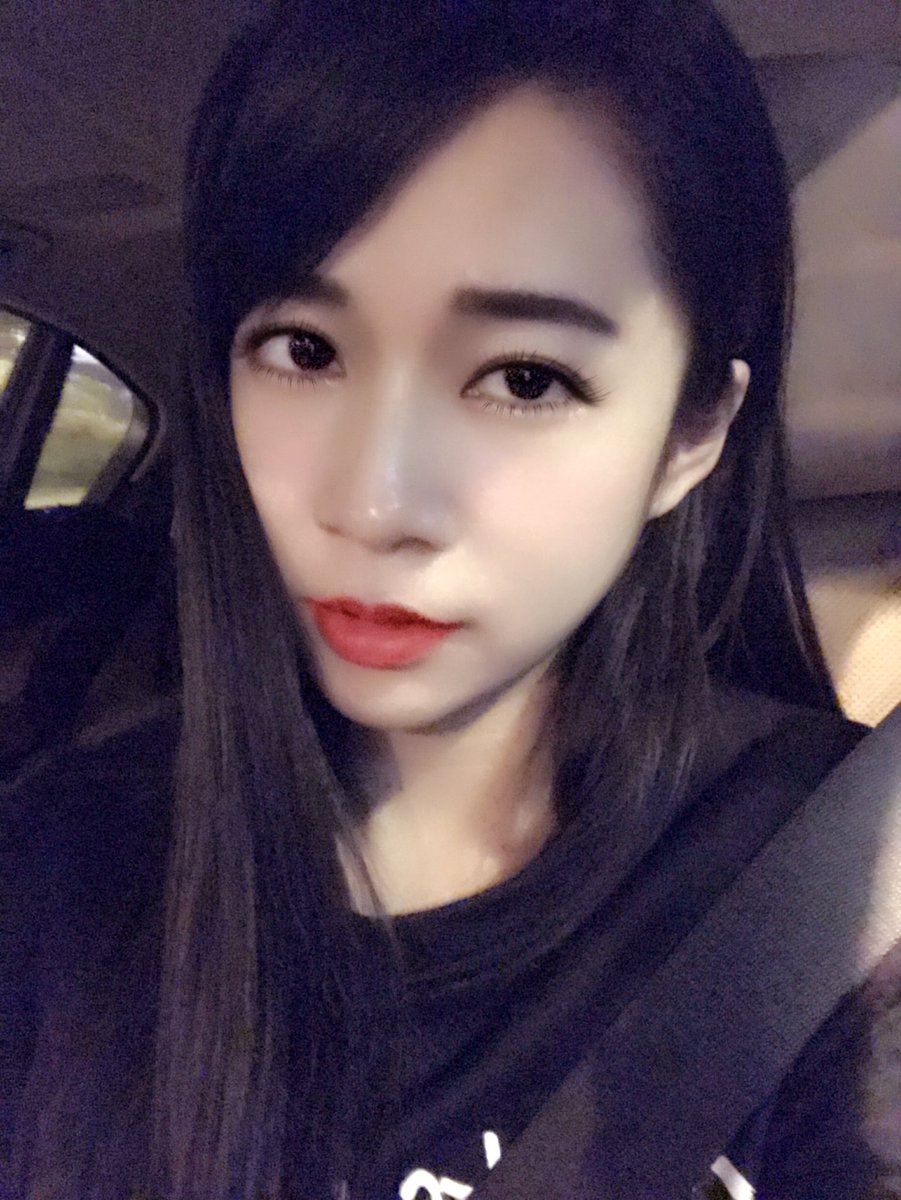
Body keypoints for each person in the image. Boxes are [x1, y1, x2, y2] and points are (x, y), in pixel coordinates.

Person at [2, 1, 885, 1197]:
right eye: (304, 350)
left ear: (691, 437)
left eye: (524, 378)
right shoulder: (66, 858)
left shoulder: (831, 896)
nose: (374, 504)